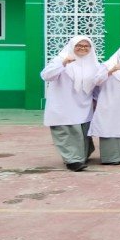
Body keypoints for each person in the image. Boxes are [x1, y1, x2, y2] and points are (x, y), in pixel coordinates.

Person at [40, 35, 99, 172]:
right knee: (66, 132)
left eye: (86, 46)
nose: (83, 48)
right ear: (72, 46)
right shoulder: (60, 59)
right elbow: (46, 76)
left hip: (84, 104)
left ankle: (80, 157)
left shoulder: (93, 63)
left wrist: (96, 100)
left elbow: (97, 84)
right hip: (63, 104)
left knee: (83, 133)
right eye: (79, 45)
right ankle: (72, 160)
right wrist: (63, 64)